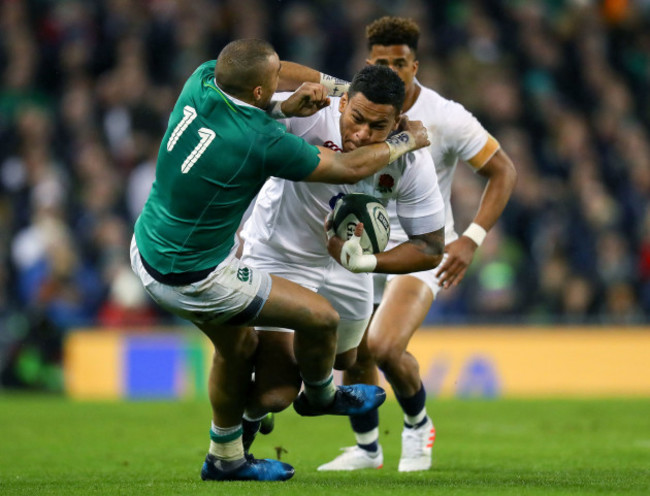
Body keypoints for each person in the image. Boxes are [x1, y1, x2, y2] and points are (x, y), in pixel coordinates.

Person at [130, 38, 431, 482]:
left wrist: (310, 99)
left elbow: (268, 78)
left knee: (238, 351)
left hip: (148, 247)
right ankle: (323, 396)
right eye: (273, 83)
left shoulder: (201, 81)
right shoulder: (261, 142)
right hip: (199, 276)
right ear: (257, 93)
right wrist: (406, 139)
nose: (286, 83)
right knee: (320, 318)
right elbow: (349, 169)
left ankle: (226, 458)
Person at [313, 16, 518, 473]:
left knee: (384, 346)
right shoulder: (355, 102)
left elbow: (503, 170)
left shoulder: (445, 116)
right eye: (383, 62)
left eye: (401, 62)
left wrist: (471, 237)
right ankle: (367, 449)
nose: (395, 71)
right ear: (370, 63)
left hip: (420, 247)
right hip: (355, 241)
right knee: (353, 353)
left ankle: (417, 422)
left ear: (415, 63)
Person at [233, 63, 446, 448]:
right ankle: (236, 444)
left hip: (349, 263)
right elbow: (251, 89)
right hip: (281, 254)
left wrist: (367, 263)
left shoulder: (412, 159)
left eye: (377, 127)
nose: (361, 134)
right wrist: (289, 104)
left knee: (345, 361)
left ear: (398, 120)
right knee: (276, 393)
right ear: (342, 102)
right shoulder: (307, 115)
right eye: (356, 118)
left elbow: (431, 247)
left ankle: (309, 394)